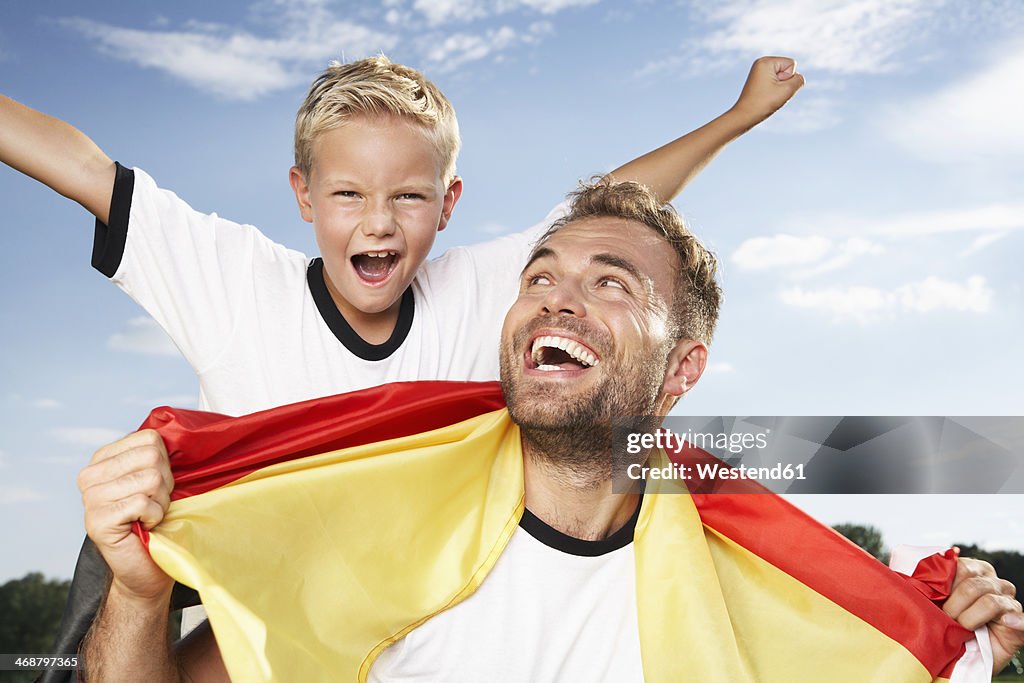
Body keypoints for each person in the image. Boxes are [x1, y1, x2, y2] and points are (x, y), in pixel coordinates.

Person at [77, 180, 1024, 681]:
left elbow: (869, 645)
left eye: (611, 283)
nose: (554, 301)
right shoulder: (368, 525)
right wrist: (134, 591)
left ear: (682, 372)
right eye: (538, 277)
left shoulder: (752, 588)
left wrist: (942, 641)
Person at [0, 56, 802, 418]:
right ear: (302, 195)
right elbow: (86, 168)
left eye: (408, 196)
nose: (378, 221)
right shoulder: (235, 280)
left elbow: (612, 207)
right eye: (348, 194)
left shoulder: (480, 290)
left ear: (448, 203)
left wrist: (736, 118)